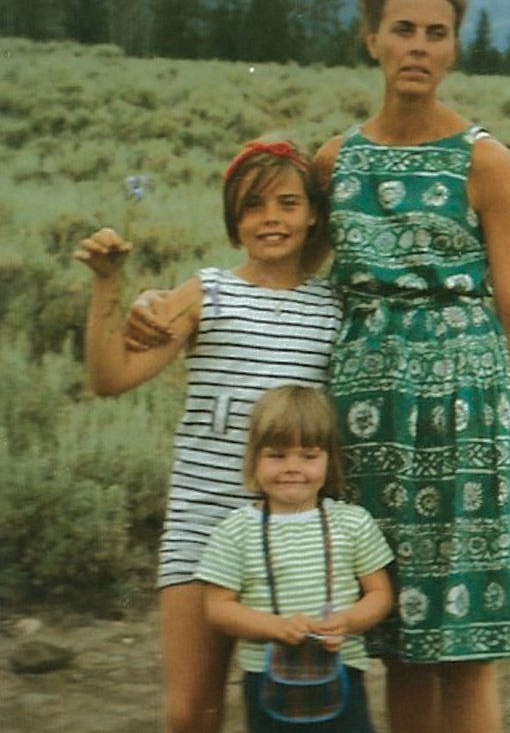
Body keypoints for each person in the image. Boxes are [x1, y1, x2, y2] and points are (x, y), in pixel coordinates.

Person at [314, 0, 510, 733]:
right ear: (371, 39)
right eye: (402, 29)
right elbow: (277, 265)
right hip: (367, 427)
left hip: (465, 420)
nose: (419, 46)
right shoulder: (334, 163)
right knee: (400, 645)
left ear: (453, 48)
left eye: (436, 33)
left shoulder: (484, 160)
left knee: (465, 647)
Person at [74, 139, 343, 733]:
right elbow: (110, 377)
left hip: (290, 535)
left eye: (287, 203)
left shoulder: (333, 307)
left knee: (287, 706)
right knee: (190, 711)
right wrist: (107, 286)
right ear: (233, 219)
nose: (270, 218)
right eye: (251, 206)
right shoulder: (207, 291)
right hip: (203, 524)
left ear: (313, 214)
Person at [196, 384, 394, 733]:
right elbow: (218, 608)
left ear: (329, 460)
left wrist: (347, 621)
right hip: (266, 677)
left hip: (342, 670)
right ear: (254, 459)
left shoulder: (352, 522)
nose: (292, 467)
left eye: (308, 455)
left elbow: (379, 594)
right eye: (276, 455)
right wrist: (275, 628)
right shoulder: (235, 530)